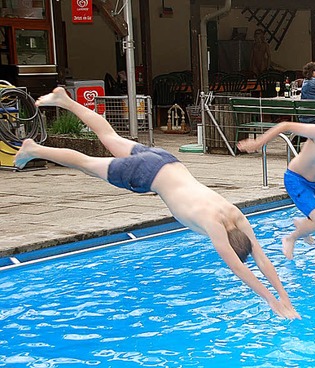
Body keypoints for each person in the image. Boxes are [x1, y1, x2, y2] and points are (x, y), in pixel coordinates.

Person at [14, 88, 300, 320]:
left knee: (109, 136)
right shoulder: (214, 226)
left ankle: (64, 100)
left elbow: (261, 258)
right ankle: (35, 148)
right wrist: (272, 302)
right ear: (225, 240)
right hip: (147, 175)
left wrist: (284, 297)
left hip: (165, 160)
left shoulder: (234, 214)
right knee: (87, 164)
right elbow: (242, 269)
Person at [237, 109, 315, 259]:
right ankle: (291, 238)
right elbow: (285, 125)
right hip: (298, 180)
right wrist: (258, 143)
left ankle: (307, 225)